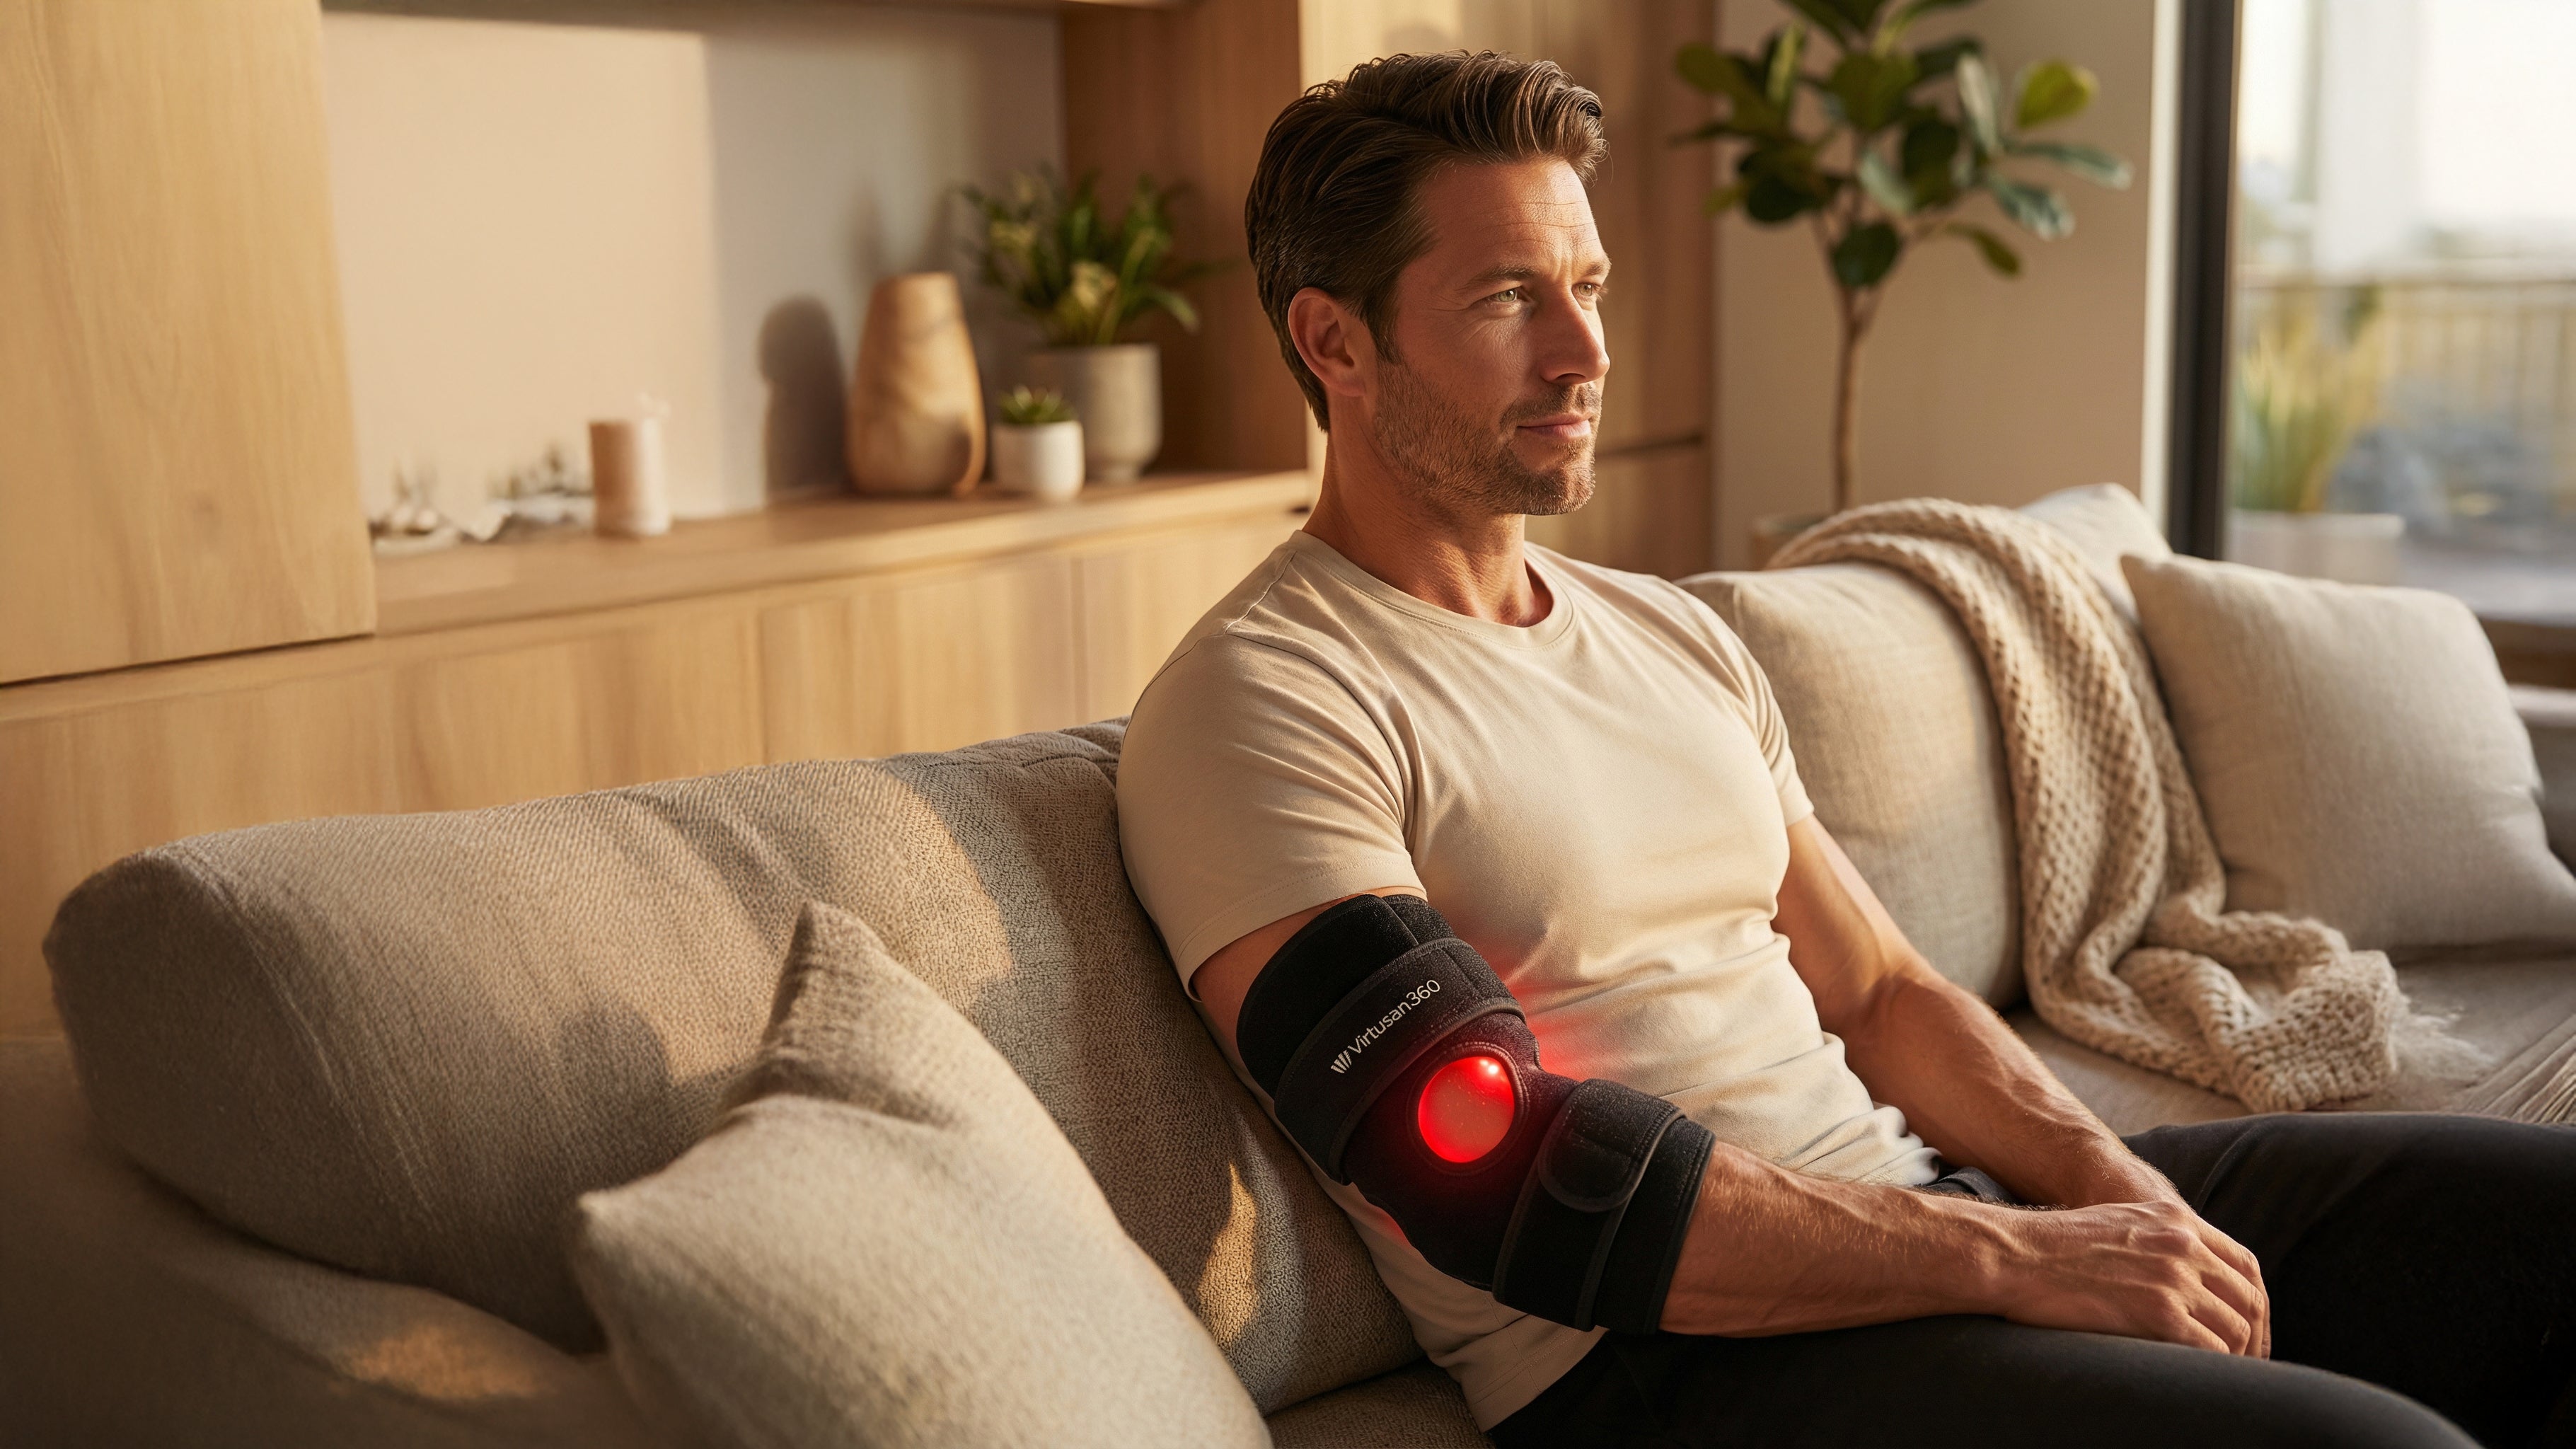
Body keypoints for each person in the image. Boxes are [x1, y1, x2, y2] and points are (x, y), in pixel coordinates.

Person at [1115, 51, 2576, 1448]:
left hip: (1919, 1214)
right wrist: (2004, 1253)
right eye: (1509, 297)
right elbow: (1504, 1179)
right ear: (1333, 340)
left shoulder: (1666, 631)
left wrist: (2113, 1195)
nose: (1586, 351)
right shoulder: (1262, 703)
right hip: (1670, 1365)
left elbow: (1877, 990)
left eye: (1588, 285)